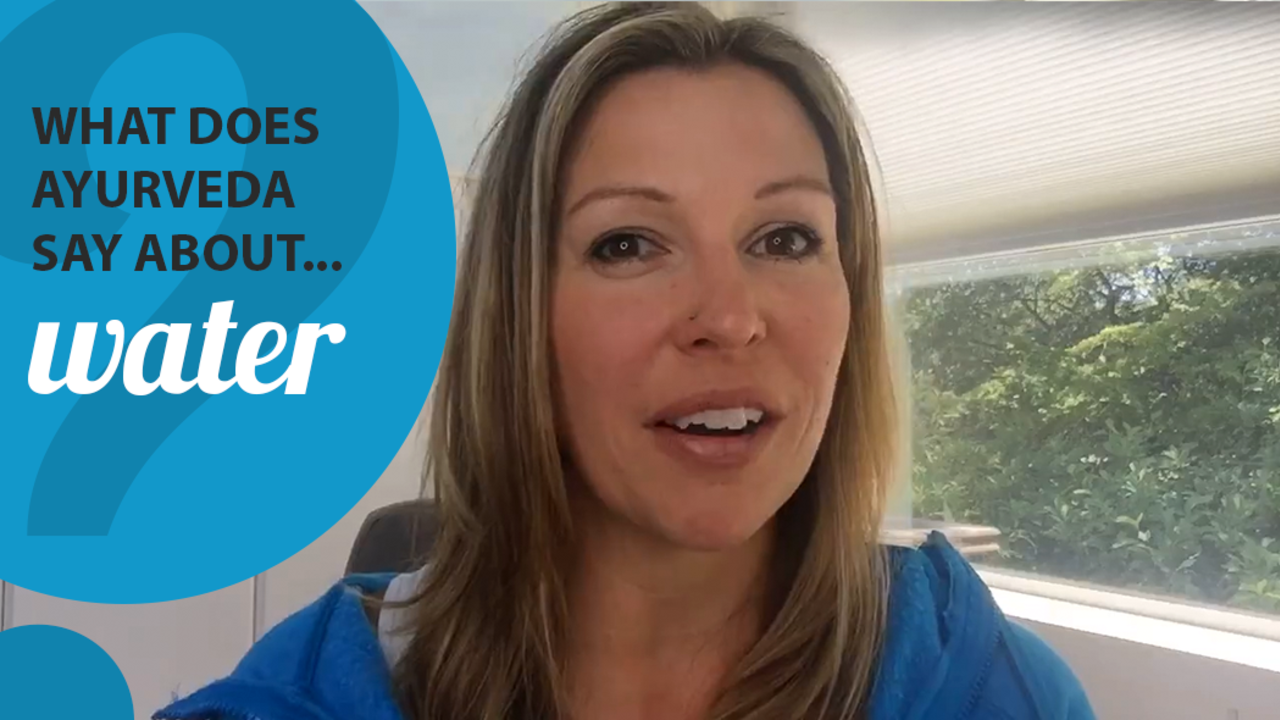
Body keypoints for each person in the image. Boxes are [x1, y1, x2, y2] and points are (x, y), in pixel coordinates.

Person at [156, 3, 1095, 719]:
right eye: (628, 244)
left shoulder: (998, 691)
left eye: (785, 238)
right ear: (520, 320)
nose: (728, 318)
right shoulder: (299, 697)